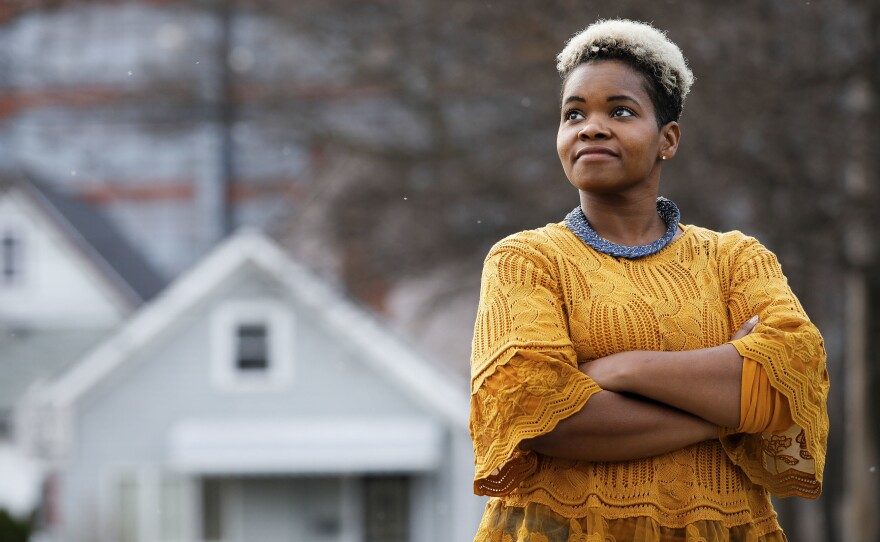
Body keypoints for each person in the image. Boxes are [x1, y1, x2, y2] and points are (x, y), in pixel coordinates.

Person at [469, 19, 829, 542]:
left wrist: (623, 369)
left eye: (620, 111)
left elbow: (789, 379)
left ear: (668, 140)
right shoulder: (525, 261)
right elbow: (541, 416)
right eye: (574, 113)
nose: (591, 128)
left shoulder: (734, 259)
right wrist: (727, 413)